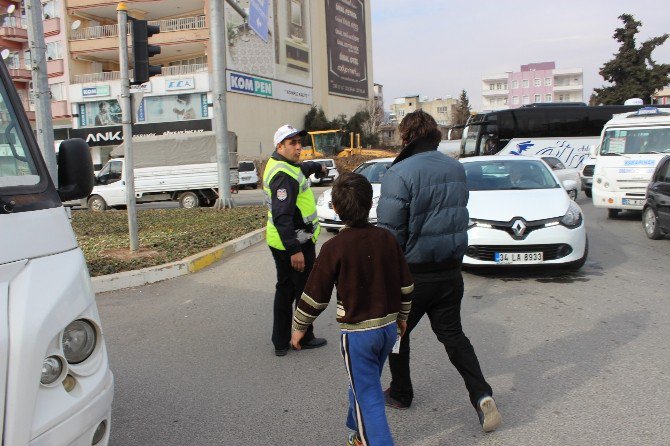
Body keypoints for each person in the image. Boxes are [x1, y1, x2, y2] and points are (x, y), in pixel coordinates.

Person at [377, 110, 502, 433]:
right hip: (449, 272)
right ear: (433, 136)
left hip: (413, 275)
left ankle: (401, 392)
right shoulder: (455, 167)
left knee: (398, 335)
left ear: (405, 137)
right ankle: (481, 395)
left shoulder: (399, 172)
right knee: (454, 336)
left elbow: (391, 233)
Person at [290, 172, 414, 446]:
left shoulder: (335, 247)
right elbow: (406, 285)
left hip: (359, 336)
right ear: (370, 204)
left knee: (368, 395)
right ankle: (357, 433)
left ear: (335, 208)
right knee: (363, 383)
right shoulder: (387, 239)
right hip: (388, 331)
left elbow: (314, 295)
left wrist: (299, 327)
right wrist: (403, 319)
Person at [263, 124, 328, 356]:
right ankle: (304, 337)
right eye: (293, 144)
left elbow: (302, 167)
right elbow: (282, 217)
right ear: (280, 146)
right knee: (302, 292)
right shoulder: (283, 176)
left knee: (286, 289)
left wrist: (317, 166)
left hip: (286, 241)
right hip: (293, 243)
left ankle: (280, 342)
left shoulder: (286, 165)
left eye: (300, 143)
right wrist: (294, 251)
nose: (299, 148)